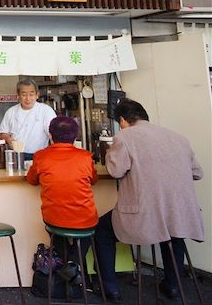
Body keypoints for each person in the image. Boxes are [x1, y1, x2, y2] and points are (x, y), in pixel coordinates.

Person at [94, 98, 204, 302]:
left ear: (123, 120)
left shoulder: (124, 137)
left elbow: (116, 171)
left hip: (144, 214)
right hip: (179, 212)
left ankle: (108, 287)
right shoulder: (178, 138)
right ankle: (173, 285)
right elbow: (197, 173)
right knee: (173, 229)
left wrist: (109, 153)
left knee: (101, 229)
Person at [27, 116, 98, 261]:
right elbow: (94, 180)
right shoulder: (85, 157)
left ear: (50, 135)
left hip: (54, 220)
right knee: (83, 243)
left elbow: (32, 180)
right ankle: (75, 267)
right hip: (86, 221)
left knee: (60, 242)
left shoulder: (41, 156)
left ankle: (68, 266)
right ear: (75, 136)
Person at [0, 78, 57, 158]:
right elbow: (3, 133)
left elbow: (53, 134)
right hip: (16, 156)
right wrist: (9, 140)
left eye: (31, 94)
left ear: (37, 95)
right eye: (24, 94)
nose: (28, 99)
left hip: (40, 155)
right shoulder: (11, 112)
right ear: (18, 96)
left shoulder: (46, 111)